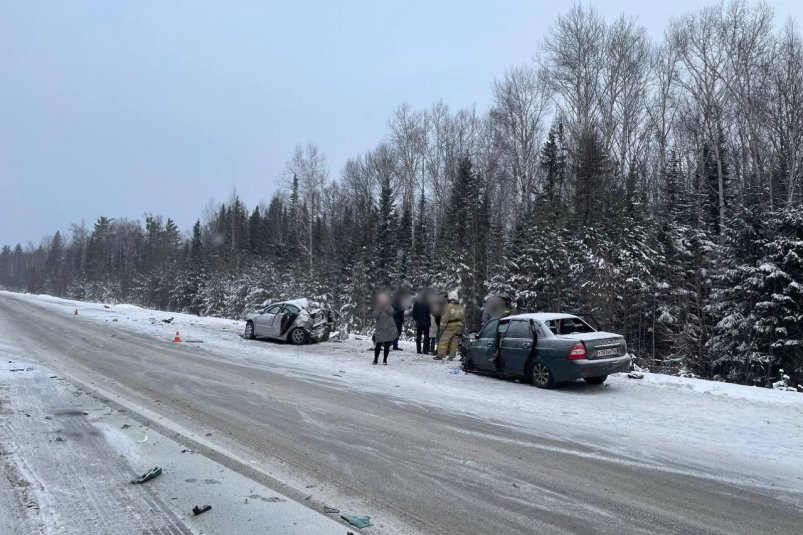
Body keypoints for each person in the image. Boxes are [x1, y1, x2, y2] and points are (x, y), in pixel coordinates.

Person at [435, 290, 465, 361]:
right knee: (454, 341)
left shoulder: (448, 306)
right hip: (458, 326)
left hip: (450, 326)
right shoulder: (460, 307)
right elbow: (463, 318)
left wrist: (442, 327)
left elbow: (445, 317)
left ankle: (440, 355)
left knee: (443, 340)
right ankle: (451, 356)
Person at [371, 293, 397, 365]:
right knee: (378, 345)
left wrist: (386, 307)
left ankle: (385, 360)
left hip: (388, 328)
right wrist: (379, 308)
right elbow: (374, 315)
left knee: (387, 346)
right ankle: (375, 360)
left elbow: (392, 312)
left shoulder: (389, 306)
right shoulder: (378, 307)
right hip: (380, 329)